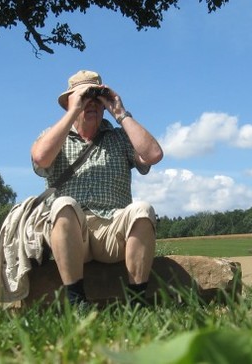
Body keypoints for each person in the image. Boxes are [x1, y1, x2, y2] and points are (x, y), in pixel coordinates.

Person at [30, 70, 164, 306]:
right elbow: (41, 159)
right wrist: (73, 111)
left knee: (143, 209)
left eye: (96, 97)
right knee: (63, 204)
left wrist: (121, 114)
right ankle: (77, 303)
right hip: (72, 233)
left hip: (112, 231)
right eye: (84, 97)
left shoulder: (120, 137)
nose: (90, 103)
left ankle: (136, 304)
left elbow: (153, 155)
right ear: (70, 101)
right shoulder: (52, 137)